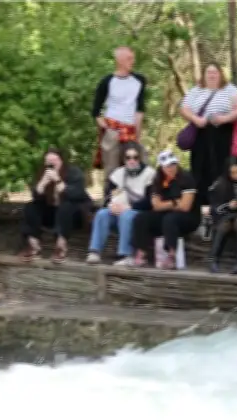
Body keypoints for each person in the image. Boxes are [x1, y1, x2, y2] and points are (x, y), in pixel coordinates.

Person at [179, 62, 237, 206]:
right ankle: (202, 203)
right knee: (200, 166)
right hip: (201, 132)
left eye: (215, 72)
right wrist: (196, 119)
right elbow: (184, 109)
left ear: (220, 74)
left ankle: (222, 200)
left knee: (221, 165)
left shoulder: (231, 90)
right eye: (209, 72)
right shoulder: (196, 90)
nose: (212, 75)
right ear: (204, 74)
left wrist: (224, 118)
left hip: (223, 131)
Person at [86, 142, 155, 266]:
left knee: (126, 215)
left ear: (140, 158)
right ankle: (94, 251)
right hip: (120, 210)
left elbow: (151, 201)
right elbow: (107, 196)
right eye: (128, 157)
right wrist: (111, 205)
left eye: (135, 157)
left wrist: (130, 207)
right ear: (123, 159)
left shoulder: (149, 174)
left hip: (140, 213)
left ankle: (126, 254)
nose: (132, 160)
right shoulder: (118, 173)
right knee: (102, 213)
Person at [19, 149, 92, 263]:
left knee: (65, 206)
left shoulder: (73, 172)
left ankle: (61, 246)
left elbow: (77, 194)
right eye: (48, 161)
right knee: (31, 207)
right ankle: (33, 244)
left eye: (54, 160)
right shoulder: (42, 173)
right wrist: (43, 183)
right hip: (54, 214)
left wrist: (58, 180)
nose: (51, 163)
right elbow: (36, 197)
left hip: (75, 214)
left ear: (61, 161)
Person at [130, 150, 200, 269]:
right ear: (161, 167)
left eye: (173, 164)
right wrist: (174, 202)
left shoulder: (186, 178)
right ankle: (141, 253)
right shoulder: (157, 181)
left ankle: (171, 255)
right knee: (141, 218)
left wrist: (166, 204)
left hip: (189, 217)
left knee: (170, 219)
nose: (171, 168)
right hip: (165, 214)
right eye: (167, 166)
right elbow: (156, 206)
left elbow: (185, 206)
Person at [91, 47, 147, 181]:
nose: (132, 61)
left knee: (138, 165)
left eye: (132, 58)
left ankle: (137, 199)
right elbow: (96, 111)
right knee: (112, 170)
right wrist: (106, 128)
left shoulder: (139, 81)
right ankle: (110, 199)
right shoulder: (107, 81)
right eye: (129, 58)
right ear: (120, 61)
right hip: (112, 128)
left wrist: (138, 133)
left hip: (131, 129)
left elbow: (140, 109)